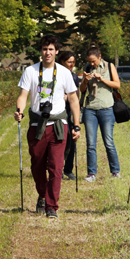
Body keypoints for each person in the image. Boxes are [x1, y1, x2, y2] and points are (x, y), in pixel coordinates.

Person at [15, 35, 80, 218]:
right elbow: (22, 95)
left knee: (56, 167)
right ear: (40, 51)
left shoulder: (64, 73)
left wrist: (76, 126)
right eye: (44, 49)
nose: (47, 52)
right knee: (37, 166)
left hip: (58, 125)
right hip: (37, 125)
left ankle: (52, 206)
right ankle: (42, 195)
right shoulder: (31, 71)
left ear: (56, 51)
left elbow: (74, 101)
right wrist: (19, 110)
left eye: (51, 49)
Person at [79, 45, 121, 183]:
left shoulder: (109, 67)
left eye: (93, 61)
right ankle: (91, 173)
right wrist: (85, 80)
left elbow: (117, 85)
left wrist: (101, 79)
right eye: (89, 61)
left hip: (106, 109)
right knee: (91, 143)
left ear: (99, 57)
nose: (91, 64)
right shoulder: (86, 68)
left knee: (108, 142)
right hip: (90, 109)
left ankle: (115, 171)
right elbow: (82, 90)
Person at [58, 49, 80, 180]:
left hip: (70, 113)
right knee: (60, 142)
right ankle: (58, 169)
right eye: (69, 62)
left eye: (73, 62)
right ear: (62, 62)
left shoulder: (74, 76)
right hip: (59, 113)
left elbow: (76, 96)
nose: (71, 65)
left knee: (72, 142)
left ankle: (68, 169)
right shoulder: (56, 74)